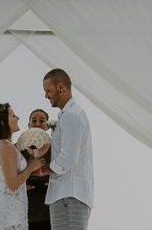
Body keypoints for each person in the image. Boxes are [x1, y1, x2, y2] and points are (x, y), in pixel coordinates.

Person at [43, 68, 94, 230]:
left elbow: (69, 157)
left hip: (68, 195)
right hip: (65, 194)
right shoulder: (68, 115)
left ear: (61, 88)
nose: (46, 96)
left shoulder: (72, 115)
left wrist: (42, 170)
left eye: (48, 90)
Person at [0, 102, 49, 230]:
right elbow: (12, 184)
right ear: (3, 122)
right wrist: (30, 168)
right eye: (13, 115)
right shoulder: (6, 146)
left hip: (16, 210)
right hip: (9, 212)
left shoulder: (8, 146)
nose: (17, 118)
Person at [25, 109, 52, 230]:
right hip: (25, 212)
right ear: (29, 125)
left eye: (42, 121)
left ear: (47, 125)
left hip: (50, 213)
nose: (37, 123)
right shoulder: (16, 148)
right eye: (34, 120)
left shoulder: (56, 148)